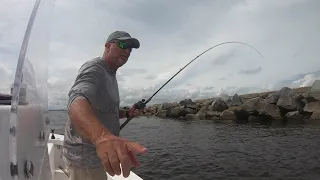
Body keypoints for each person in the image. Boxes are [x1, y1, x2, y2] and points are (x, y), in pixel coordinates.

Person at [62, 31, 148, 180]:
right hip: (84, 162)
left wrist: (127, 113)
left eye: (130, 49)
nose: (127, 51)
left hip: (97, 158)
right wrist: (102, 137)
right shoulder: (96, 68)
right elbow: (76, 100)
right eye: (123, 45)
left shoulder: (111, 75)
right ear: (108, 46)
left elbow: (108, 111)